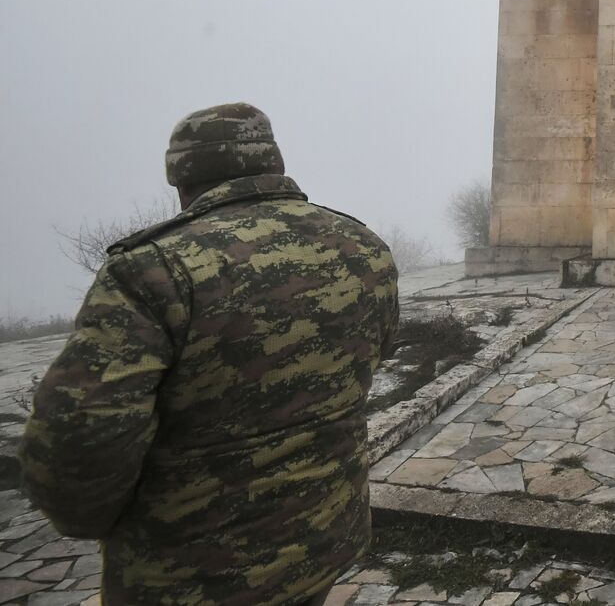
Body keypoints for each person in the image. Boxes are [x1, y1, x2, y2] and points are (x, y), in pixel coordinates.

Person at [20, 102, 399, 606]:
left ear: (181, 176)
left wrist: (86, 521)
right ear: (272, 161)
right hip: (324, 539)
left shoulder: (152, 270)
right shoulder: (362, 245)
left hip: (194, 573)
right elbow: (372, 358)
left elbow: (82, 435)